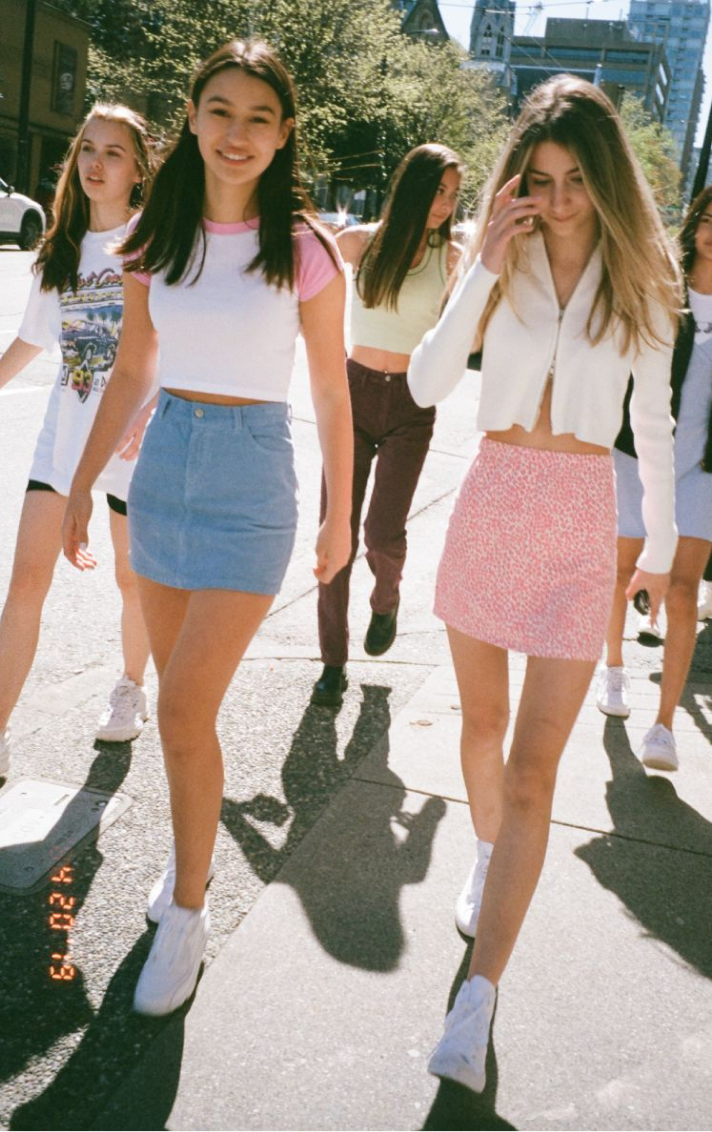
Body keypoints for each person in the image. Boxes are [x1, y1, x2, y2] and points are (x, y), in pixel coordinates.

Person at [62, 40, 352, 1017]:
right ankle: (190, 865)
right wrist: (79, 481)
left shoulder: (306, 249)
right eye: (220, 110)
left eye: (259, 117)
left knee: (182, 711)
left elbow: (329, 389)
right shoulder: (154, 237)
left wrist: (338, 509)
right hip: (166, 469)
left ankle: (187, 909)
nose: (238, 132)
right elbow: (133, 368)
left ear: (282, 135)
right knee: (186, 716)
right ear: (191, 118)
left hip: (253, 480)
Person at [407, 75, 680, 1092]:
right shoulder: (501, 259)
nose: (560, 200)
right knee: (479, 735)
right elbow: (430, 383)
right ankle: (486, 855)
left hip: (578, 519)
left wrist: (651, 541)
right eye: (543, 180)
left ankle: (476, 1000)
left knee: (533, 772)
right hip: (492, 501)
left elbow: (650, 423)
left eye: (577, 181)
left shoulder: (643, 281)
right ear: (519, 181)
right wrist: (480, 268)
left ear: (604, 181)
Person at [0, 104, 157, 784]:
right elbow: (32, 336)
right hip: (66, 435)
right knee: (27, 580)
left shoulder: (152, 241)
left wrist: (148, 412)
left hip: (133, 441)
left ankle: (131, 687)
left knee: (132, 578)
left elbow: (180, 345)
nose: (96, 164)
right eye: (87, 150)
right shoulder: (63, 243)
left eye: (114, 153)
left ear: (138, 170)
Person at [311, 144, 462, 708]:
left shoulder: (453, 258)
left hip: (411, 404)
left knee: (380, 532)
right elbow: (297, 259)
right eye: (437, 190)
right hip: (350, 395)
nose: (445, 204)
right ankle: (332, 662)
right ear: (413, 188)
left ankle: (386, 598)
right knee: (337, 533)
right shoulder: (358, 242)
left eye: (453, 194)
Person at [596, 185, 712, 770]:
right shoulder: (664, 288)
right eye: (710, 220)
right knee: (623, 570)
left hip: (702, 469)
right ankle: (613, 669)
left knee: (686, 591)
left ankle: (663, 726)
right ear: (694, 225)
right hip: (636, 455)